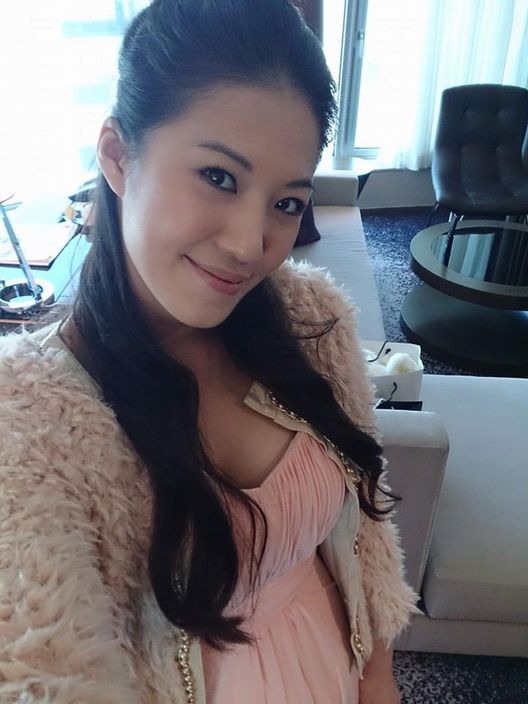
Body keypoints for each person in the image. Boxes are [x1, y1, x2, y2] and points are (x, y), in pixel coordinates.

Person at [0, 1, 421, 702]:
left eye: (286, 203)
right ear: (117, 155)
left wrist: (377, 678)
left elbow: (364, 537)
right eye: (219, 177)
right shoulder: (27, 426)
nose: (250, 245)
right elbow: (39, 664)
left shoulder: (311, 320)